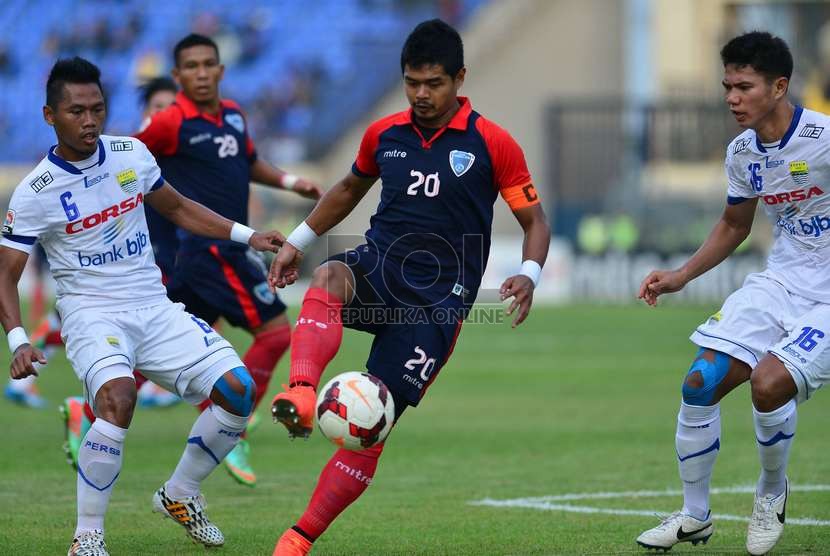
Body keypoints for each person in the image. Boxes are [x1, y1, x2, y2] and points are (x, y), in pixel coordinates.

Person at [266, 19, 550, 555]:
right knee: (328, 276)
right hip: (381, 266)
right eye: (412, 82)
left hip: (438, 303)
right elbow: (349, 187)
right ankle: (302, 393)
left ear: (460, 78)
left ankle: (298, 538)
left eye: (434, 83)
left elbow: (536, 221)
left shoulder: (493, 143)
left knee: (374, 422)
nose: (421, 94)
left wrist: (529, 275)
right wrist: (298, 241)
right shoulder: (385, 134)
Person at [0, 57, 284, 555]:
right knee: (117, 398)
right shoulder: (35, 192)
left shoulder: (131, 153)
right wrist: (18, 339)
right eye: (76, 112)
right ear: (50, 116)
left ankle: (180, 493)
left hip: (153, 305)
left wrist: (247, 234)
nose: (89, 121)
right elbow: (6, 272)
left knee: (238, 391)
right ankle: (87, 536)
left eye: (97, 109)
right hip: (91, 313)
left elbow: (177, 208)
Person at [636, 31, 829, 555]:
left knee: (769, 384)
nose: (731, 97)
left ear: (779, 87)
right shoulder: (743, 152)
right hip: (781, 281)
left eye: (743, 86)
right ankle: (694, 516)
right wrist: (680, 276)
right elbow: (733, 224)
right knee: (701, 380)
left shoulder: (825, 139)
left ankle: (771, 493)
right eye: (727, 86)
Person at [134, 33, 322, 487]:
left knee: (155, 350)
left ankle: (88, 409)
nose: (201, 73)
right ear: (178, 77)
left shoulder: (234, 115)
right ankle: (232, 427)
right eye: (191, 67)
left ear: (220, 70)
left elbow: (250, 161)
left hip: (220, 251)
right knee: (276, 333)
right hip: (209, 249)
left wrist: (291, 181)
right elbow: (125, 157)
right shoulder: (170, 123)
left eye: (208, 65)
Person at [59, 76, 179, 471]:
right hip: (147, 261)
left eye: (171, 106)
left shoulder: (187, 141)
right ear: (147, 112)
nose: (167, 113)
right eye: (158, 106)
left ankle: (89, 411)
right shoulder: (131, 149)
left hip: (184, 252)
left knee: (159, 353)